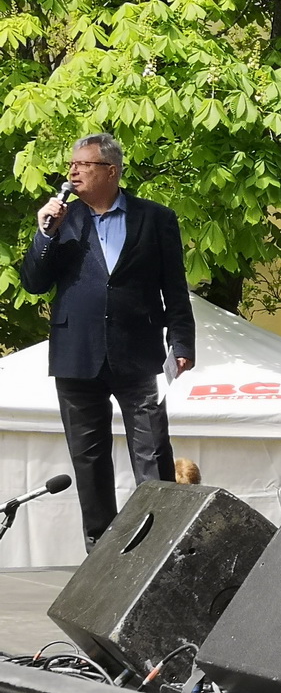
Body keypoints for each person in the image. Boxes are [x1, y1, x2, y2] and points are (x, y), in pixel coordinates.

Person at [20, 133, 195, 552]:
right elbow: (34, 283)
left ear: (111, 170)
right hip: (76, 354)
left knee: (153, 450)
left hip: (141, 353)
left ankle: (159, 545)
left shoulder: (155, 218)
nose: (73, 171)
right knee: (88, 456)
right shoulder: (63, 219)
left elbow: (174, 286)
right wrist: (45, 235)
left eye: (83, 164)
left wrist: (182, 342)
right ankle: (99, 548)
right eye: (71, 165)